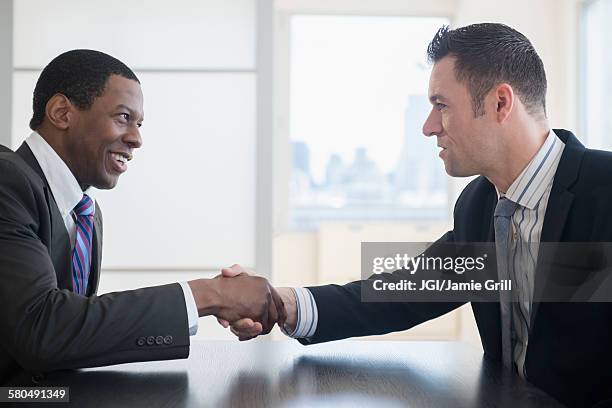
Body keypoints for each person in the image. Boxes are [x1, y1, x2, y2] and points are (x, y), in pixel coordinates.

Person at [222, 24, 612, 407]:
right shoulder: (479, 207)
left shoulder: (604, 193)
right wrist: (282, 303)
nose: (428, 128)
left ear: (499, 103)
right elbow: (402, 293)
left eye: (441, 105)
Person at [0, 49, 285, 384]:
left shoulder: (86, 213)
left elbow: (74, 337)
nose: (136, 138)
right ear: (62, 113)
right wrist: (208, 295)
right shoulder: (8, 181)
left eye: (139, 123)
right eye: (123, 117)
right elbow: (42, 330)